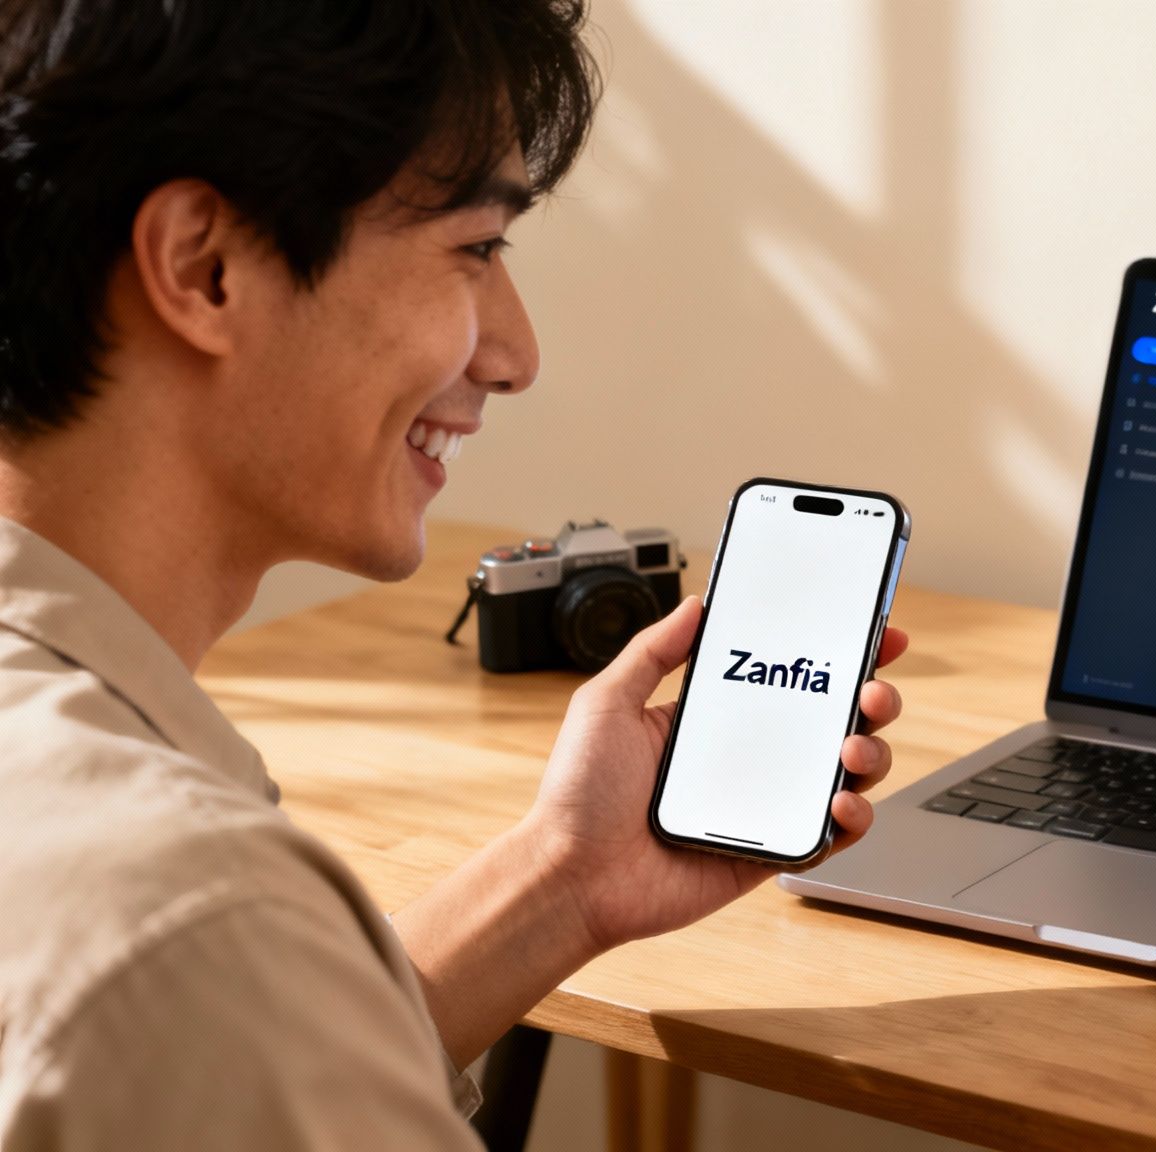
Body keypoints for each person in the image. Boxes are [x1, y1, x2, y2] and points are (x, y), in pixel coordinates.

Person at [0, 3, 908, 1147]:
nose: (515, 355)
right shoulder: (190, 928)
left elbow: (249, 1062)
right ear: (205, 266)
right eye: (475, 249)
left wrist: (563, 880)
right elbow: (216, 1004)